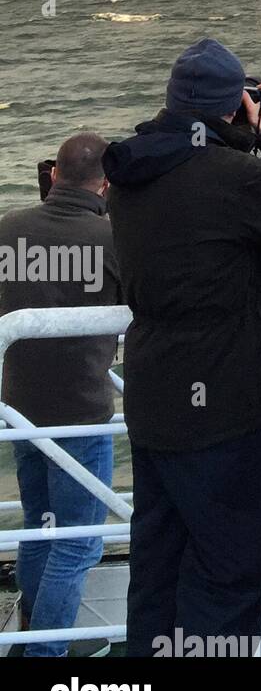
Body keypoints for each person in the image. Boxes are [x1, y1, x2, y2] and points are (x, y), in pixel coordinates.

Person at [103, 38, 261, 657]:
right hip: (221, 403)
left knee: (157, 567)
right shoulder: (225, 174)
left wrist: (237, 132)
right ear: (233, 108)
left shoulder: (131, 170)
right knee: (228, 570)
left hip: (151, 396)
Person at [0, 134, 121, 656]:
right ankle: (45, 654)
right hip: (82, 410)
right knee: (76, 543)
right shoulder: (113, 238)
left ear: (53, 176)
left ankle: (32, 635)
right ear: (106, 184)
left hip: (19, 405)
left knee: (39, 528)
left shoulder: (7, 230)